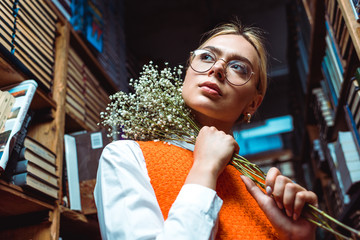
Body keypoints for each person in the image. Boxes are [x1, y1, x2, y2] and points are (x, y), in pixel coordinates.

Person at [94, 22, 318, 240]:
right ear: (188, 72)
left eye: (238, 67)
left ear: (253, 104)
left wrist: (296, 238)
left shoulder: (265, 193)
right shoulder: (126, 157)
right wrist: (205, 169)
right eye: (207, 57)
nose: (218, 68)